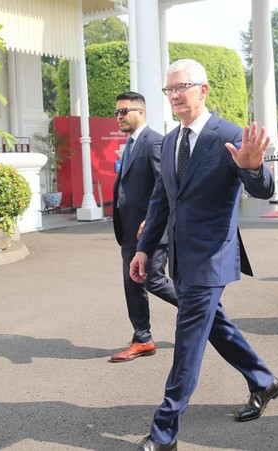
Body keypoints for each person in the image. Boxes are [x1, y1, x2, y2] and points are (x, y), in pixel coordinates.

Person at [129, 59, 278, 451]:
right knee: (215, 325)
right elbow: (162, 200)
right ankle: (264, 381)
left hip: (212, 257)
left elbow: (261, 188)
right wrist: (145, 250)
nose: (176, 95)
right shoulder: (172, 139)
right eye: (170, 89)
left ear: (204, 89)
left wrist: (255, 167)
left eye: (183, 87)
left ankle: (164, 433)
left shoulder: (227, 134)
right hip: (180, 257)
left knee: (187, 342)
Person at [110, 91, 178, 363]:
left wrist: (151, 219)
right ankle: (143, 338)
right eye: (116, 112)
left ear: (141, 112)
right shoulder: (130, 144)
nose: (119, 117)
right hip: (128, 232)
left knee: (153, 279)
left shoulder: (154, 142)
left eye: (124, 111)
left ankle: (204, 310)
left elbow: (166, 187)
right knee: (132, 283)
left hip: (149, 231)